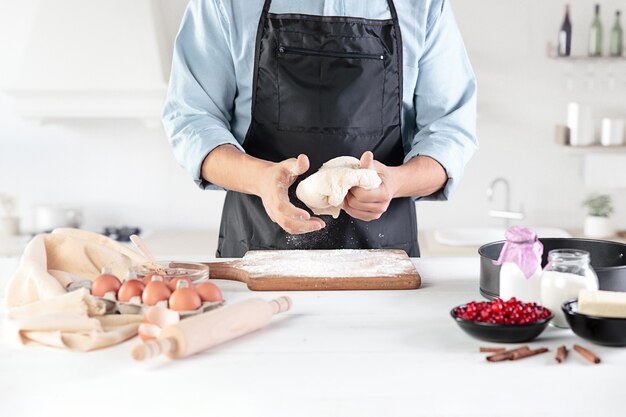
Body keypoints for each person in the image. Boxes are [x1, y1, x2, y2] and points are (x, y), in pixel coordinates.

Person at [163, 0, 477, 258]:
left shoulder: (424, 5)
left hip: (385, 258)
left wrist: (396, 182)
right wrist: (260, 179)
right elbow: (192, 120)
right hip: (256, 251)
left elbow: (450, 132)